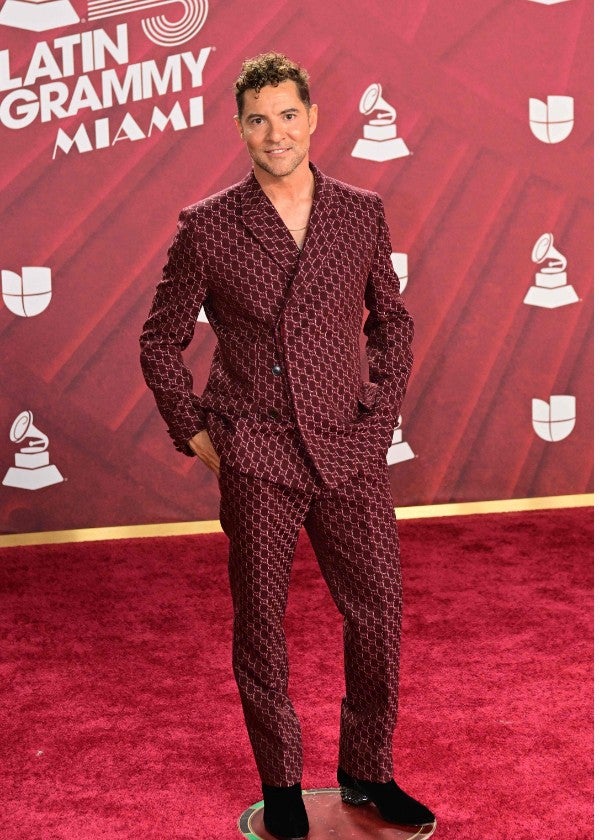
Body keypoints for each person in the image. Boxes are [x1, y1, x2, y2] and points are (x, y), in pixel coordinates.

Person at [139, 53, 434, 840]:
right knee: (260, 623)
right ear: (241, 128)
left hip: (350, 449)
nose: (276, 132)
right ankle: (281, 785)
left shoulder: (359, 211)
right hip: (258, 453)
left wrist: (378, 415)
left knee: (377, 613)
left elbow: (392, 323)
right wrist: (198, 432)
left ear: (312, 117)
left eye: (288, 114)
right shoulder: (207, 226)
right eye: (259, 119)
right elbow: (161, 341)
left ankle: (369, 773)